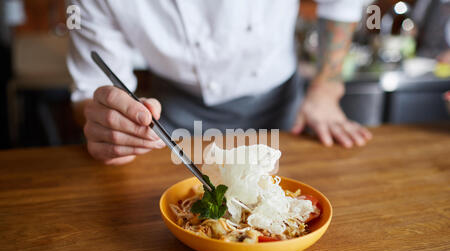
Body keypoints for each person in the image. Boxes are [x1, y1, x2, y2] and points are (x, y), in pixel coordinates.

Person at [68, 0, 372, 165]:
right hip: (169, 123)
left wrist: (327, 86)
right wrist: (109, 127)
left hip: (282, 113)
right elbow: (91, 88)